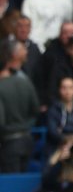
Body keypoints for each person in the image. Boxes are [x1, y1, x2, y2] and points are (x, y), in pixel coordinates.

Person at [0, 39, 39, 173]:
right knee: (21, 183)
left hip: (8, 142)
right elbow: (35, 109)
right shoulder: (25, 82)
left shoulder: (2, 86)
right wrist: (26, 125)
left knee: (10, 185)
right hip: (27, 140)